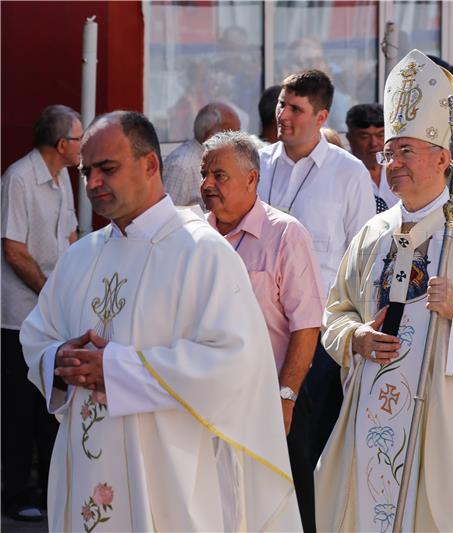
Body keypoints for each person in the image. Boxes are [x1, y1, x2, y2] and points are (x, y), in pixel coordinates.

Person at [20, 111, 301, 531]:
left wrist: (115, 370)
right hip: (83, 469)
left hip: (169, 474)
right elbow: (36, 336)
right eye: (86, 172)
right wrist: (59, 359)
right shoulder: (80, 256)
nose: (93, 183)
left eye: (107, 169)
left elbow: (233, 363)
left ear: (150, 164)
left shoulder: (203, 253)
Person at [316, 49, 453, 532]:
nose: (393, 163)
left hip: (445, 418)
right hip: (373, 413)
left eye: (405, 151)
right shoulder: (372, 234)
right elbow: (335, 312)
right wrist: (355, 337)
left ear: (444, 156)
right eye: (388, 153)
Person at [202, 130, 324, 533]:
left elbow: (306, 325)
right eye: (205, 174)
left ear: (251, 178)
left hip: (273, 399)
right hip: (205, 401)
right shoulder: (194, 237)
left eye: (219, 175)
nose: (207, 185)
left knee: (283, 507)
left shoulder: (285, 234)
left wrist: (285, 397)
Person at [258, 69, 374, 470]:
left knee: (308, 452)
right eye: (281, 105)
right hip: (260, 329)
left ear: (321, 117)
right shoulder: (258, 163)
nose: (283, 115)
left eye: (296, 108)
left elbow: (363, 257)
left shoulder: (349, 173)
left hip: (320, 336)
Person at [1, 104, 82, 521]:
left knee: (50, 401)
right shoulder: (18, 177)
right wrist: (52, 292)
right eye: (79, 138)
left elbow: (69, 235)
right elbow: (13, 249)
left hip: (53, 310)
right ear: (61, 144)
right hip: (18, 314)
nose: (83, 146)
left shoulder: (63, 176)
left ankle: (53, 489)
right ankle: (15, 494)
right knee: (17, 408)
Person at [162, 101, 240, 208]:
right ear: (212, 135)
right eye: (233, 134)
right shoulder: (182, 166)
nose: (237, 142)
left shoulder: (212, 159)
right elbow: (169, 216)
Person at [345, 103, 398, 213]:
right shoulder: (341, 173)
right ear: (350, 138)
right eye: (364, 137)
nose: (373, 143)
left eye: (380, 135)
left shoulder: (400, 167)